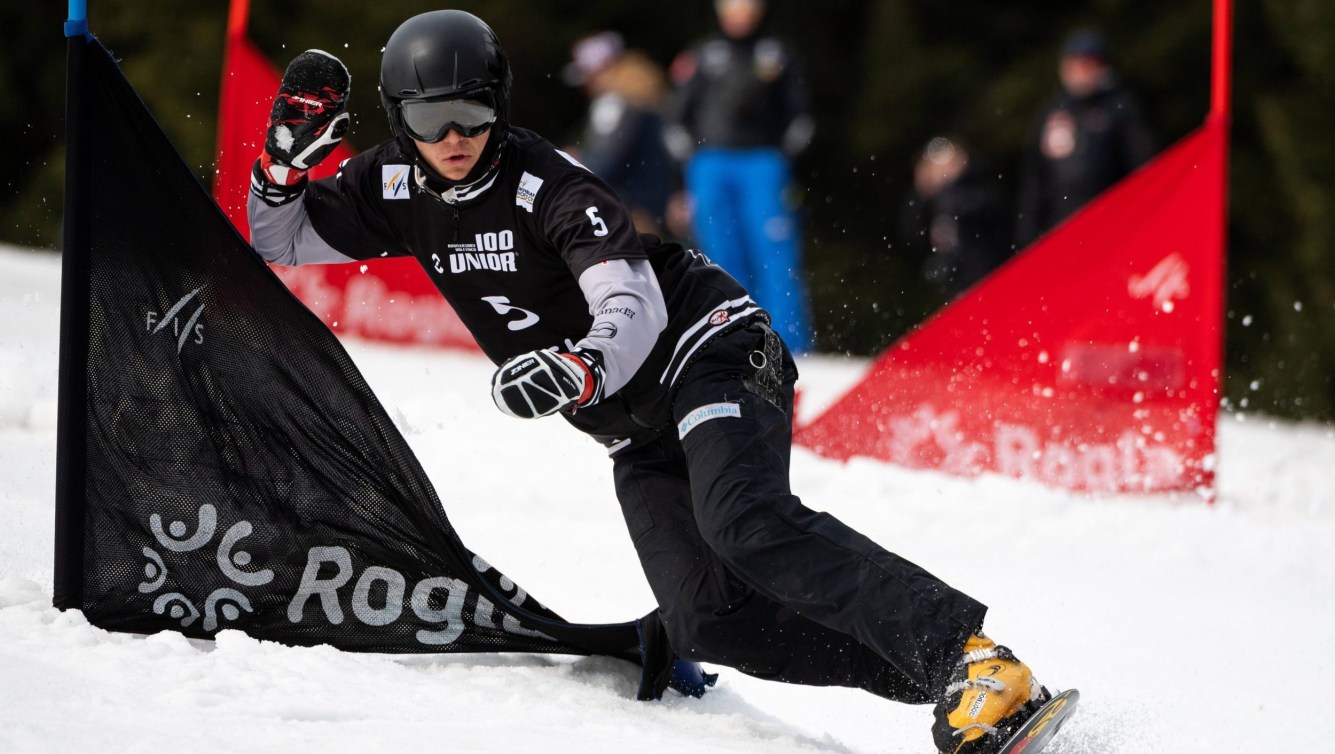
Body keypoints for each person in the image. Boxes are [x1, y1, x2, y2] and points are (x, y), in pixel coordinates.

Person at [247, 11, 1054, 753]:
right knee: (710, 621)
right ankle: (949, 688)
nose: (454, 136)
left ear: (500, 105)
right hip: (635, 429)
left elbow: (626, 298)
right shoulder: (393, 185)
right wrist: (280, 167)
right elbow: (279, 240)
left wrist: (580, 364)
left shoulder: (548, 185)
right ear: (399, 121)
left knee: (745, 524)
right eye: (429, 120)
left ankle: (972, 656)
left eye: (473, 112)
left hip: (709, 350)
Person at [663, 0, 813, 352]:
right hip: (711, 164)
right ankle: (731, 344)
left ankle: (790, 346)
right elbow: (675, 120)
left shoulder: (777, 54)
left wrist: (778, 158)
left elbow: (800, 117)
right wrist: (687, 173)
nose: (740, 10)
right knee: (719, 259)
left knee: (775, 253)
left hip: (762, 164)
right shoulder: (701, 55)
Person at [1015, 29, 1156, 248]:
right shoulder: (1052, 111)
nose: (1080, 73)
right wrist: (1028, 232)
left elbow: (1142, 166)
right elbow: (1035, 177)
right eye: (1075, 66)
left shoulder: (1119, 108)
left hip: (1112, 223)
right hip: (1061, 227)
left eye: (1087, 66)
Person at [562, 31, 675, 235]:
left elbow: (605, 163)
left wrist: (573, 162)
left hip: (628, 212)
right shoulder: (646, 99)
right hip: (653, 207)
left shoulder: (615, 104)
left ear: (599, 70)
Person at [901, 137, 1012, 300]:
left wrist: (951, 188)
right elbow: (911, 234)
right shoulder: (927, 201)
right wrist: (922, 191)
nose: (942, 169)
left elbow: (988, 209)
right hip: (952, 283)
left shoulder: (976, 186)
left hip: (988, 272)